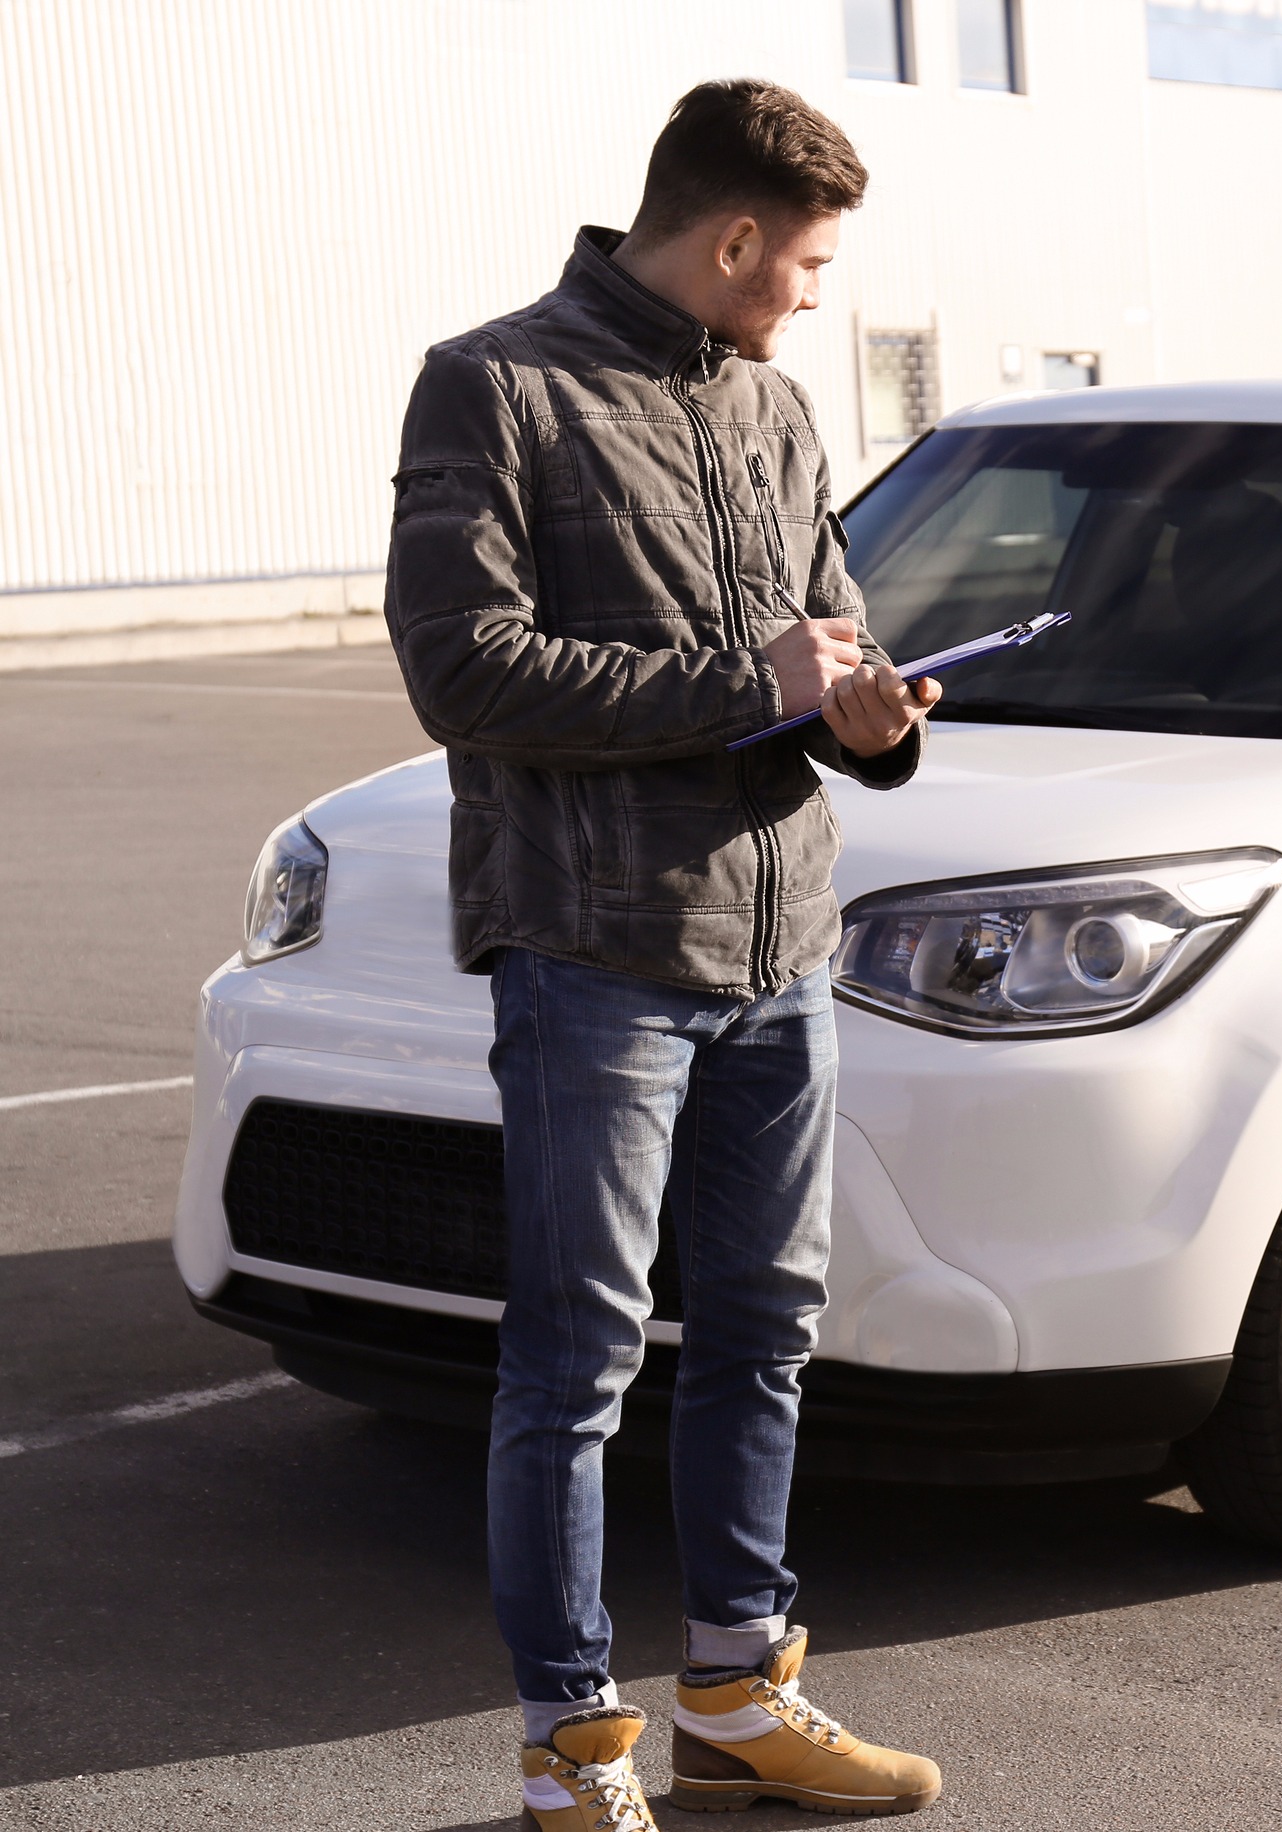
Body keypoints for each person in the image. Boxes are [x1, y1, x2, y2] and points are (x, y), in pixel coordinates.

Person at [384, 80, 943, 1828]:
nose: (815, 295)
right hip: (594, 950)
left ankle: (735, 1694)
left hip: (785, 943)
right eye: (809, 262)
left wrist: (869, 712)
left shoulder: (776, 409)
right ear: (731, 237)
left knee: (766, 1327)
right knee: (575, 1357)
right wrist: (754, 685)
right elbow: (461, 668)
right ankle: (572, 1748)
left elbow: (827, 638)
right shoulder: (496, 385)